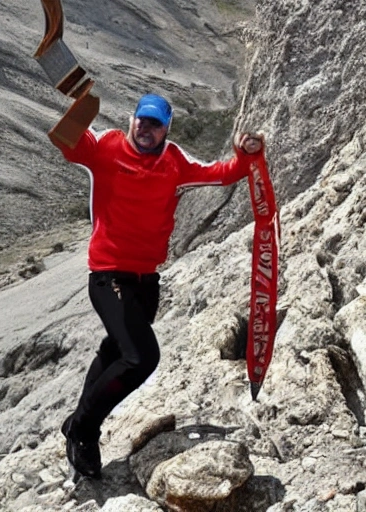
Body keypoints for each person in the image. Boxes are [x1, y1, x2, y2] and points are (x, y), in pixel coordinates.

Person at [49, 93, 264, 479]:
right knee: (142, 357)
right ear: (132, 119)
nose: (145, 129)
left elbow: (222, 173)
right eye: (141, 121)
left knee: (114, 351)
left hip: (146, 279)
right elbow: (66, 140)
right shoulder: (107, 147)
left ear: (166, 128)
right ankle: (83, 429)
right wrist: (81, 108)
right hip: (108, 274)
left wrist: (246, 155)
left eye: (155, 124)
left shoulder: (175, 162)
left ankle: (78, 424)